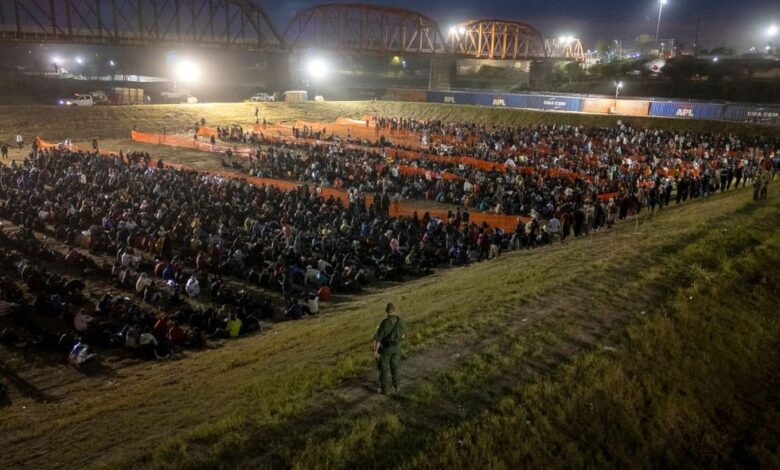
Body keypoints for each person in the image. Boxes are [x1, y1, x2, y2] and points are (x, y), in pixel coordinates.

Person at [373, 302, 406, 394]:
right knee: (395, 367)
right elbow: (403, 335)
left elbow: (378, 339)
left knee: (384, 369)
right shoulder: (401, 321)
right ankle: (397, 386)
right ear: (394, 311)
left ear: (386, 312)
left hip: (386, 349)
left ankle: (385, 389)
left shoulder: (384, 323)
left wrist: (375, 351)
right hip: (397, 348)